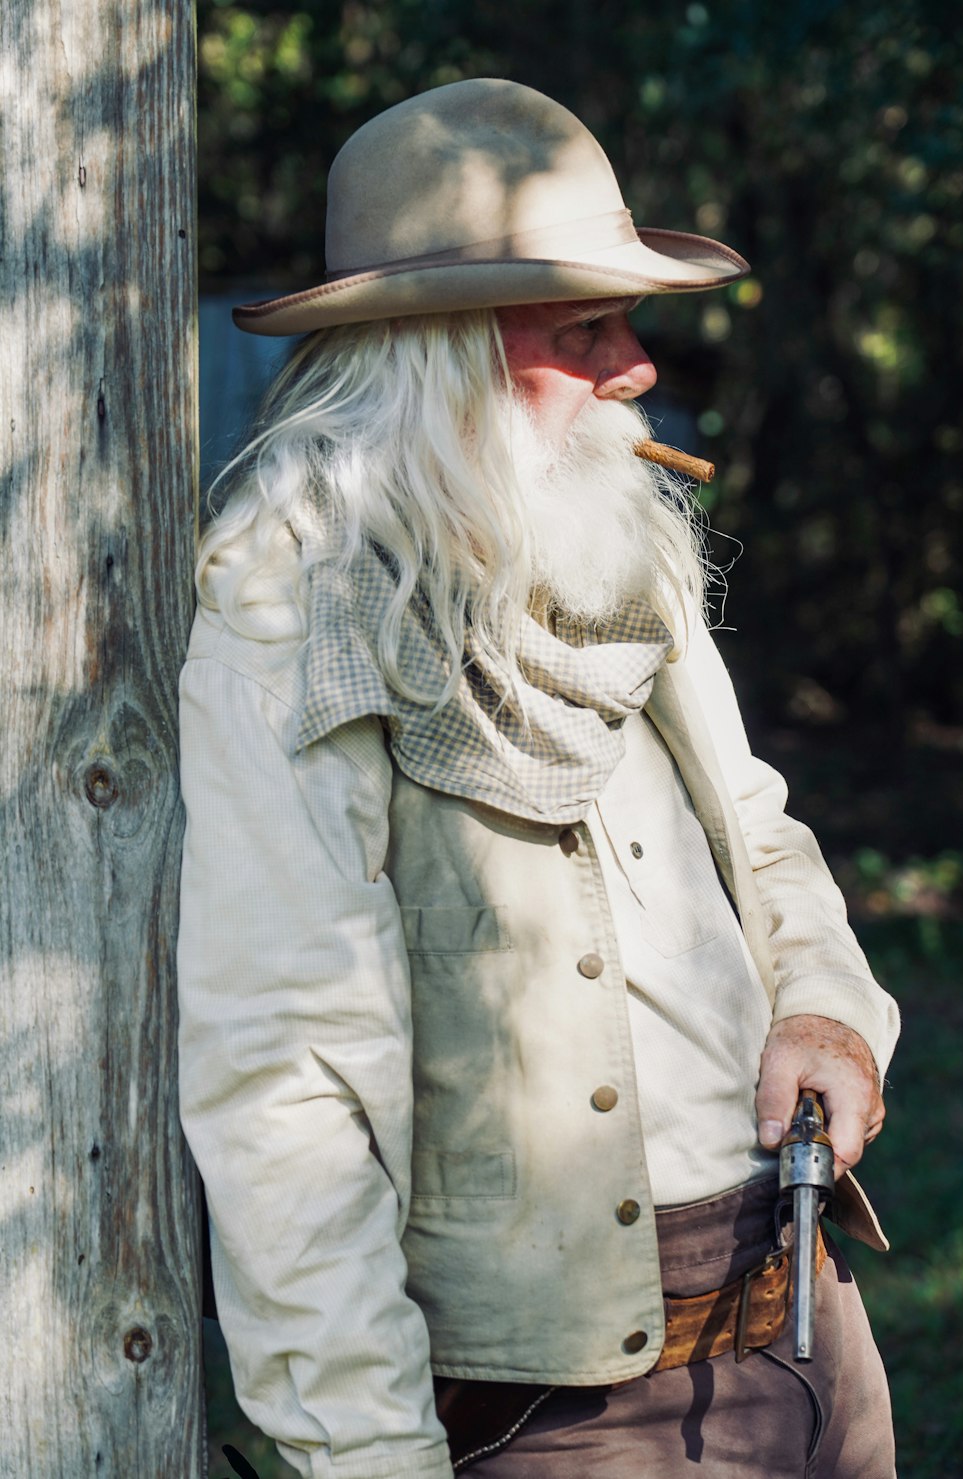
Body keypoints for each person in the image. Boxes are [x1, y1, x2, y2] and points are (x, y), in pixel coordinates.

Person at [178, 78, 900, 1479]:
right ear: (434, 354)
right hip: (560, 1414)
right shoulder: (288, 614)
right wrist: (370, 1456)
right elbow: (287, 1084)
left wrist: (828, 1009)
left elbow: (751, 825)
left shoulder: (612, 533)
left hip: (808, 1324)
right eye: (586, 331)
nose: (636, 368)